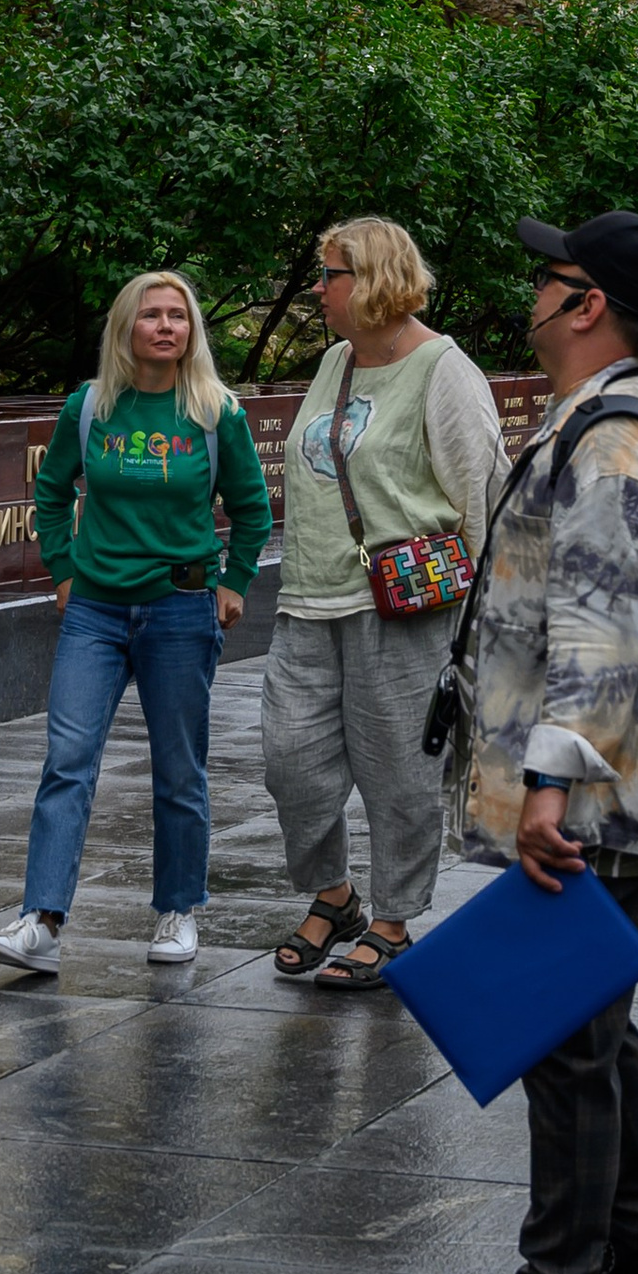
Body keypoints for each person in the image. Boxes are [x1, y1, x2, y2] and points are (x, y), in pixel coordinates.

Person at [411, 212, 638, 1274]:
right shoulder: (610, 421)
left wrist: (549, 785)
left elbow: (600, 629)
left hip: (595, 790)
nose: (531, 293)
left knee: (560, 1040)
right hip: (609, 780)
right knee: (586, 1020)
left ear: (584, 304)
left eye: (548, 277)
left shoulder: (621, 442)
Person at [0, 271, 270, 978]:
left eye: (178, 316)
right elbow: (51, 493)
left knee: (178, 768)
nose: (166, 326)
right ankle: (41, 920)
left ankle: (177, 909)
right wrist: (62, 569)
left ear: (191, 330)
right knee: (67, 760)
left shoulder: (213, 411)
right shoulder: (90, 406)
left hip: (179, 610)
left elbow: (253, 506)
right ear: (126, 328)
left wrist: (233, 583)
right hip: (96, 613)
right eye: (151, 316)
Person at [260, 215, 508, 989]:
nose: (317, 288)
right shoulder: (335, 362)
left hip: (402, 606)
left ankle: (395, 920)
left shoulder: (443, 369)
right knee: (289, 761)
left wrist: (476, 625)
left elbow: (483, 497)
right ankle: (335, 897)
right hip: (308, 597)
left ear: (370, 281)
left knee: (400, 773)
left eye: (329, 273)